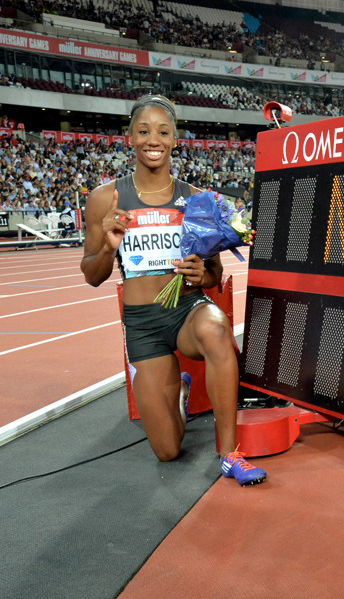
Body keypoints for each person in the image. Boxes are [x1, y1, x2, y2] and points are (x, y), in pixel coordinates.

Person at [80, 94, 266, 486]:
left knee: (217, 329)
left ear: (174, 139)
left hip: (186, 311)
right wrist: (109, 246)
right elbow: (92, 275)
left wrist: (202, 274)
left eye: (163, 132)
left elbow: (213, 273)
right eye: (144, 131)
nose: (153, 139)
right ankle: (179, 391)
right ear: (130, 137)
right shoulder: (104, 199)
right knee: (167, 451)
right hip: (143, 326)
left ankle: (229, 454)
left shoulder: (196, 199)